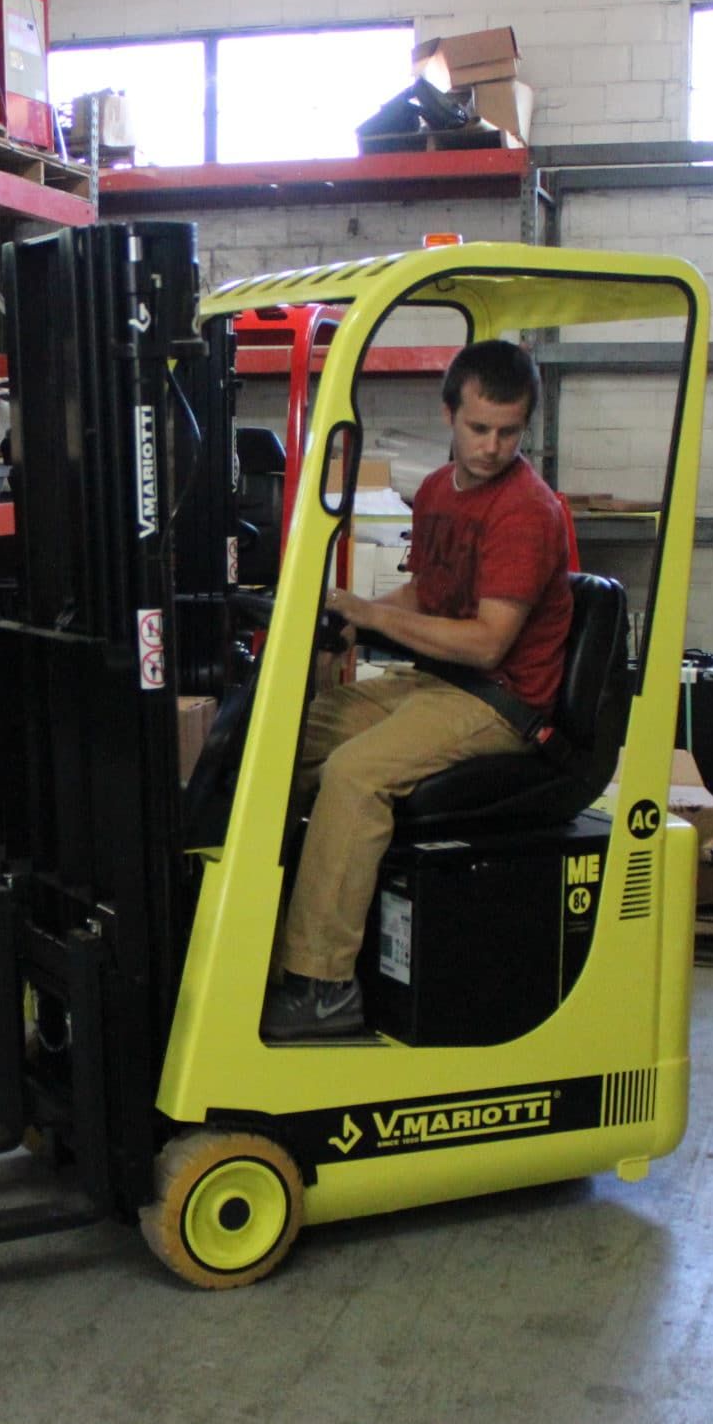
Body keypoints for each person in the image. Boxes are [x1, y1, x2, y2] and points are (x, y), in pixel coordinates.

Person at [262, 337, 575, 1041]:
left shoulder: (526, 511)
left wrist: (373, 616)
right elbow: (427, 592)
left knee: (355, 774)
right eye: (479, 428)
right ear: (448, 414)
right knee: (282, 741)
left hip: (500, 702)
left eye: (509, 432)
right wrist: (350, 615)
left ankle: (322, 986)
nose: (493, 447)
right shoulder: (436, 491)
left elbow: (488, 641)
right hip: (438, 683)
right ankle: (255, 931)